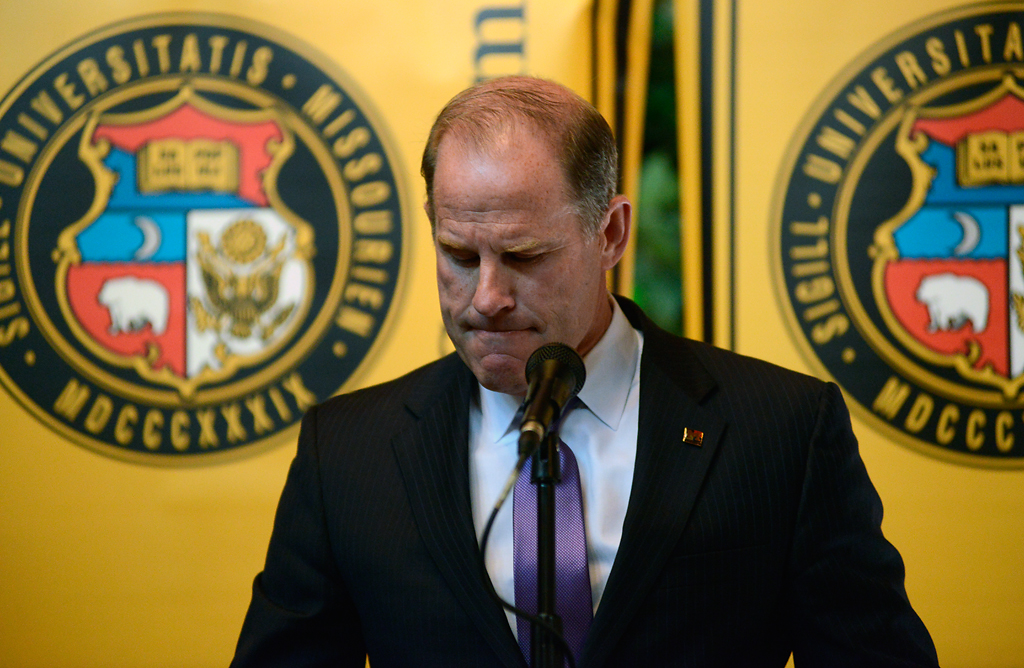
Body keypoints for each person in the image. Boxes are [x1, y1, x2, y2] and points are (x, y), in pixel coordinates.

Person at [231, 76, 939, 667]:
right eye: (457, 254)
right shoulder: (347, 452)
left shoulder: (779, 430)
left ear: (611, 233)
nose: (486, 296)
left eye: (525, 256)